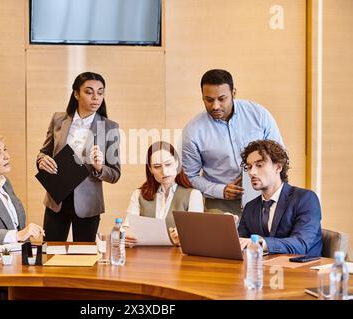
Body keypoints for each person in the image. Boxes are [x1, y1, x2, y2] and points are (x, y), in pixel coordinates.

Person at [182, 69, 284, 217]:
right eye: (209, 100)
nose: (215, 106)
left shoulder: (258, 115)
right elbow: (189, 176)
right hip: (220, 203)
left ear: (233, 93)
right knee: (220, 240)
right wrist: (220, 190)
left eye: (222, 99)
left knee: (261, 240)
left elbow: (280, 155)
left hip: (264, 196)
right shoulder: (193, 131)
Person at [37, 71, 121, 242]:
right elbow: (44, 152)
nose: (96, 97)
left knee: (85, 258)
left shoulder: (110, 127)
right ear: (76, 93)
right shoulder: (58, 119)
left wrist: (99, 167)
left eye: (100, 92)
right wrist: (41, 160)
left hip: (88, 205)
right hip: (57, 200)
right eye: (89, 92)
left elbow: (115, 174)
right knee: (50, 252)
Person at [238, 139, 322, 256]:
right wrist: (229, 230)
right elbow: (240, 245)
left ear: (278, 167)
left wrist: (262, 243)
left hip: (302, 271)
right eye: (249, 166)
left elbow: (301, 244)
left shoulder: (306, 199)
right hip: (263, 270)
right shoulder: (250, 207)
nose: (252, 172)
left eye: (259, 165)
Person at [125, 141, 204, 246]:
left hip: (178, 259)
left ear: (177, 163)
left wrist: (182, 238)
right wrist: (125, 236)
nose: (164, 171)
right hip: (145, 257)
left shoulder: (193, 195)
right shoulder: (138, 194)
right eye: (157, 166)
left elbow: (196, 235)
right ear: (150, 169)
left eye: (168, 164)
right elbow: (126, 228)